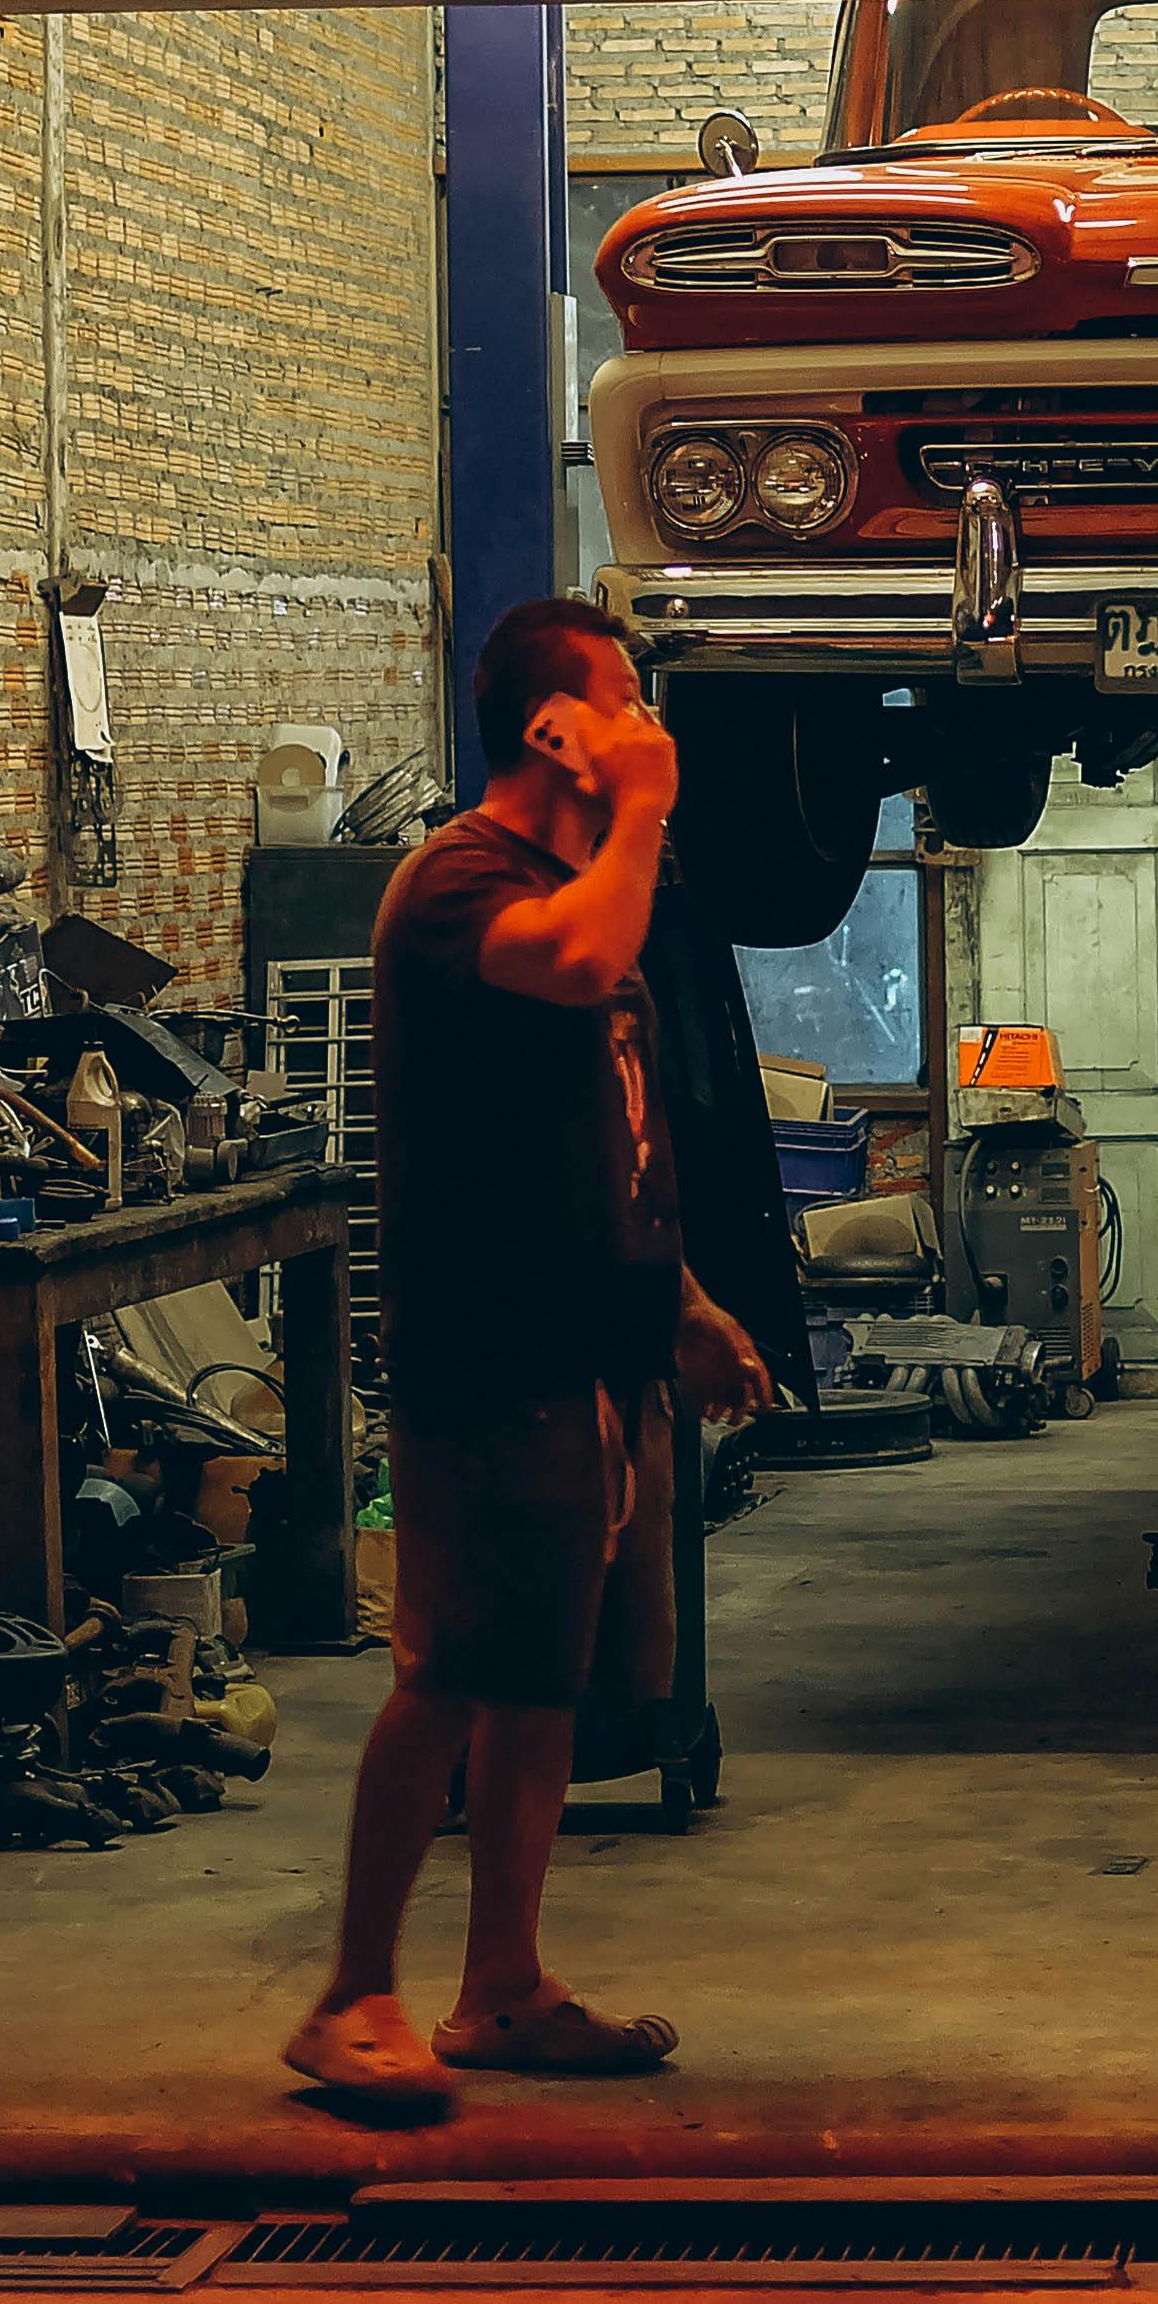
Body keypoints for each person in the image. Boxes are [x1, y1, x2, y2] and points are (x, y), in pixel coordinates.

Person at [284, 597, 771, 2112]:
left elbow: (603, 1126)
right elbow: (568, 965)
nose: (650, 728)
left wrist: (679, 1304)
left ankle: (501, 1986)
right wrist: (641, 810)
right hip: (490, 1360)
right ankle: (351, 1996)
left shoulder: (576, 882)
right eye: (623, 703)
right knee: (447, 1673)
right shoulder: (459, 883)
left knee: (542, 1687)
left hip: (592, 1355)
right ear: (556, 728)